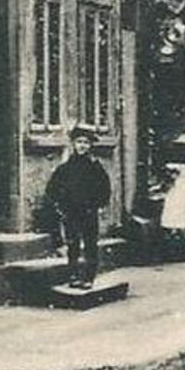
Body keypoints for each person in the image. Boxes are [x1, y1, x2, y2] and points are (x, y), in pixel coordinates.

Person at [45, 124, 111, 289]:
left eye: (86, 143)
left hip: (89, 212)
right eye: (79, 142)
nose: (82, 146)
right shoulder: (65, 168)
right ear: (73, 144)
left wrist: (99, 205)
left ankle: (88, 277)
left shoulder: (95, 168)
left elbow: (105, 188)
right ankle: (73, 275)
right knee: (73, 245)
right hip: (71, 213)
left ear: (90, 146)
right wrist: (61, 206)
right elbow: (52, 189)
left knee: (90, 245)